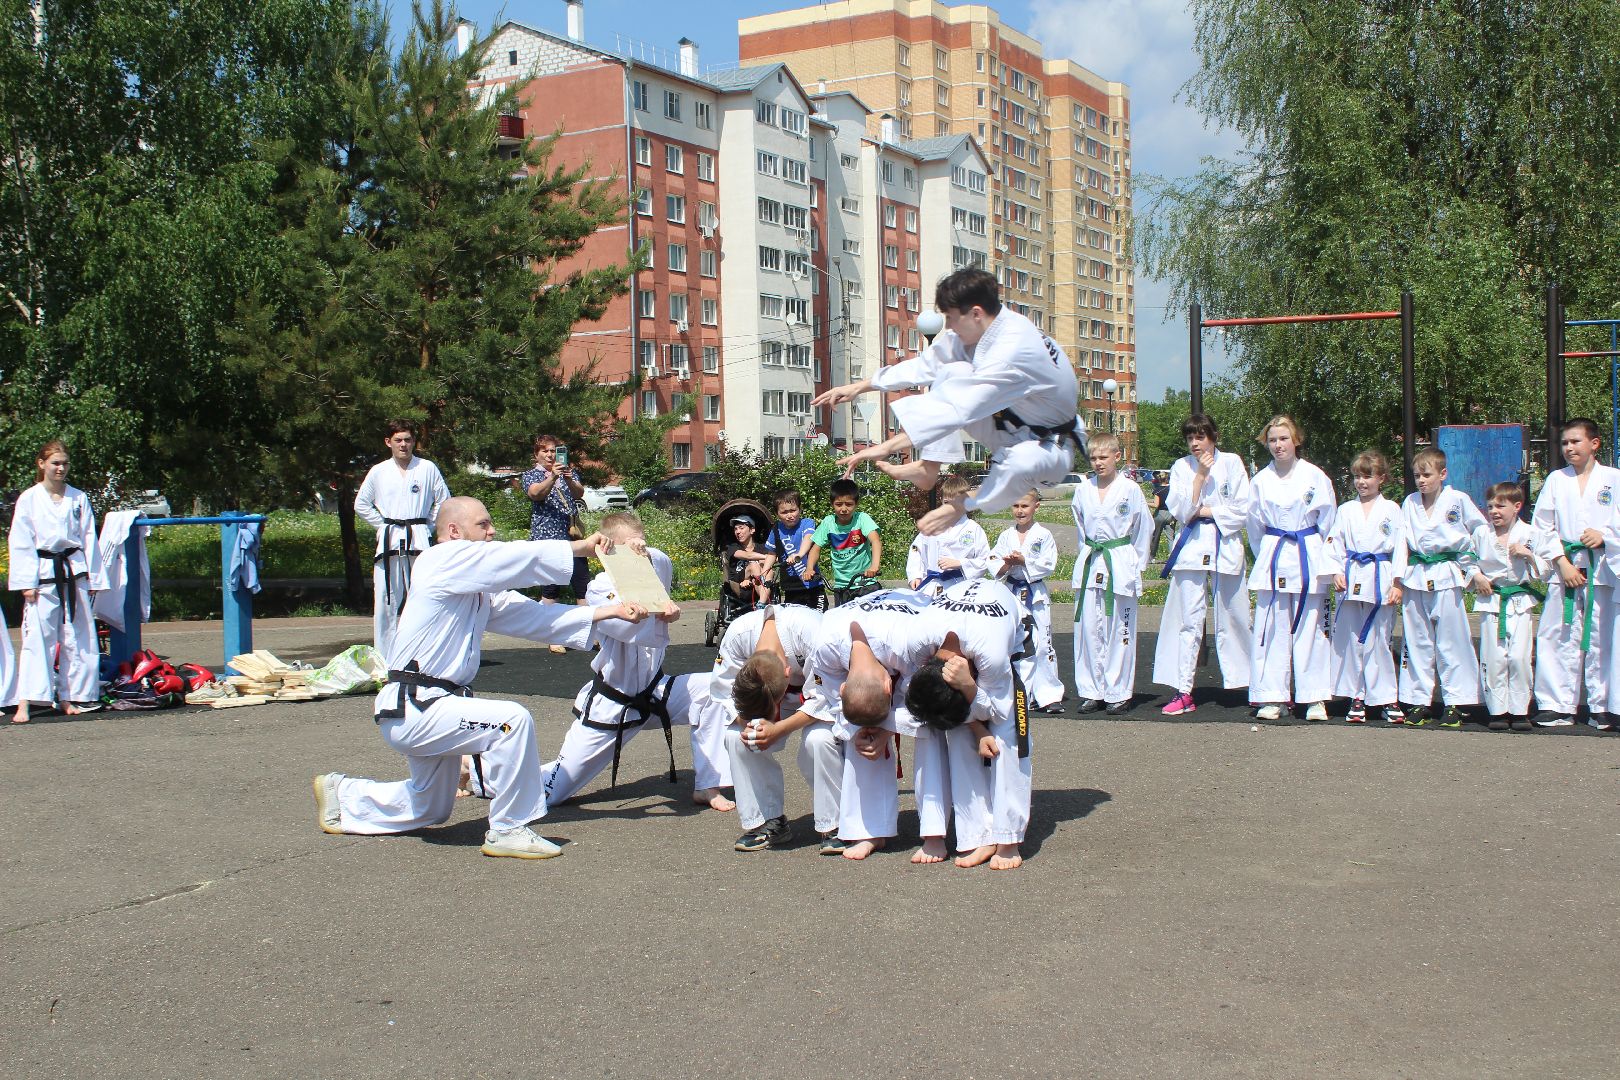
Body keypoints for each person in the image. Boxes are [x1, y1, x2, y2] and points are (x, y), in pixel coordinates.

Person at [311, 497, 646, 860]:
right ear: (454, 532)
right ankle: (508, 828)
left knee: (430, 808)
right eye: (483, 525)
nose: (492, 531)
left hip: (435, 709)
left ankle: (343, 797)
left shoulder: (476, 590)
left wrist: (609, 612)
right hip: (416, 708)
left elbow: (535, 617)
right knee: (510, 721)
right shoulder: (438, 560)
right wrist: (579, 548)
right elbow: (506, 559)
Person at [814, 268, 1083, 535]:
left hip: (1050, 451)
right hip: (1015, 428)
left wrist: (883, 448)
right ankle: (928, 467)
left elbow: (957, 410)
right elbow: (929, 363)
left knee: (1019, 460)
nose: (948, 326)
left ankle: (962, 502)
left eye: (951, 318)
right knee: (952, 370)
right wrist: (861, 386)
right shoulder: (987, 328)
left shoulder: (1010, 353)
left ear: (976, 313)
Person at [539, 513, 735, 812]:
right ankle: (476, 774)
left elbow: (663, 561)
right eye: (628, 547)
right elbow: (627, 630)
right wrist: (658, 615)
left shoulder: (652, 568)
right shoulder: (598, 589)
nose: (637, 551)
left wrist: (646, 555)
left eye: (641, 544)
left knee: (713, 690)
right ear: (607, 550)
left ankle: (708, 785)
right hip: (613, 704)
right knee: (551, 791)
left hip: (655, 692)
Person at [796, 587, 936, 860]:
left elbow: (921, 702)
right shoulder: (824, 647)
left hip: (916, 618)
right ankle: (869, 830)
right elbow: (832, 699)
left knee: (930, 732)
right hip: (868, 626)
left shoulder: (911, 645)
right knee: (861, 735)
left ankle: (934, 830)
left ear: (888, 686)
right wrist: (859, 730)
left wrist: (888, 726)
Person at [899, 578, 1027, 870]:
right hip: (962, 623)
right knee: (946, 727)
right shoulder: (918, 642)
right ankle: (977, 836)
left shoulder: (992, 655)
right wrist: (974, 726)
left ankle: (1008, 839)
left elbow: (997, 710)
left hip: (1012, 640)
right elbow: (926, 696)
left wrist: (970, 687)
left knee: (1009, 739)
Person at [1151, 413, 1253, 715]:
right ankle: (1184, 690)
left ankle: (1249, 682)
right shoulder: (1182, 467)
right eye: (1190, 438)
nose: (1195, 443)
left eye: (1201, 437)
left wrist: (1206, 510)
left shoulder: (1232, 463)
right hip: (1191, 550)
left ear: (1213, 437)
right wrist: (1198, 479)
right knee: (1188, 622)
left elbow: (1241, 510)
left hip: (1224, 547)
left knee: (1234, 617)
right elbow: (1181, 511)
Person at [716, 605, 840, 853]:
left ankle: (835, 824)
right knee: (737, 737)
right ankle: (768, 821)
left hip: (818, 693)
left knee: (818, 740)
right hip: (765, 696)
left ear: (787, 672)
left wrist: (779, 728)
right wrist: (749, 723)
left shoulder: (812, 631)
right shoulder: (738, 635)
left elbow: (826, 697)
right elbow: (723, 690)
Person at [8, 440, 106, 723]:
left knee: (78, 638)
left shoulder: (78, 498)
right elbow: (21, 541)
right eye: (55, 463)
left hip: (73, 573)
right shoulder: (29, 498)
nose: (61, 468)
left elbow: (89, 537)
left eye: (64, 463)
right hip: (42, 574)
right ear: (42, 465)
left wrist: (95, 577)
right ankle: (25, 702)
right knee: (37, 638)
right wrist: (27, 582)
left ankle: (69, 696)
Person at [1246, 416, 1336, 721]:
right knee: (1272, 628)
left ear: (1295, 440)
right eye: (1272, 440)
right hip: (1274, 553)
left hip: (1307, 553)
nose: (1278, 445)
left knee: (1311, 629)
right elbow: (1255, 528)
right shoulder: (1260, 480)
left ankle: (1314, 698)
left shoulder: (1315, 476)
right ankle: (1272, 696)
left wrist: (1324, 559)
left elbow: (1328, 522)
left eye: (1283, 439)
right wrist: (1268, 552)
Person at [1531, 419, 1620, 728]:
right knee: (1559, 634)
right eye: (1565, 443)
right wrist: (1562, 562)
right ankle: (1557, 704)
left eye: (1575, 442)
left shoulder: (1614, 479)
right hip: (1565, 568)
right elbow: (1542, 526)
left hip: (1603, 570)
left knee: (1602, 637)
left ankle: (1604, 705)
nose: (1568, 448)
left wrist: (1606, 536)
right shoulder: (1557, 480)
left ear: (1594, 444)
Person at [1397, 447, 1487, 727]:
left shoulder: (1458, 500)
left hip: (1447, 574)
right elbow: (1401, 542)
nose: (1421, 480)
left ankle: (1457, 701)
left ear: (1442, 474)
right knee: (1417, 640)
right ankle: (1418, 700)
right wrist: (1398, 579)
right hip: (1416, 575)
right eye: (1417, 476)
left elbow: (1480, 530)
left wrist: (1475, 568)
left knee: (1452, 639)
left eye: (1427, 475)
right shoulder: (1409, 502)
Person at [1070, 432, 1153, 715]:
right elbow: (1081, 529)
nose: (1097, 463)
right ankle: (1093, 691)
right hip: (1093, 561)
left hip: (1120, 561)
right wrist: (1086, 556)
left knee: (1119, 629)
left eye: (1103, 457)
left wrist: (1136, 565)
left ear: (1117, 456)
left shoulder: (1130, 489)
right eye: (1093, 458)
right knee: (1090, 630)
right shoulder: (1083, 490)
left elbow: (1144, 529)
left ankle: (1118, 692)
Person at [354, 419, 450, 656]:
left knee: (423, 595)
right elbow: (361, 504)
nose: (403, 444)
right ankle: (385, 657)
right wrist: (382, 526)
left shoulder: (427, 468)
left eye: (408, 439)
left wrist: (427, 525)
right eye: (398, 440)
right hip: (390, 539)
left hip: (418, 537)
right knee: (386, 599)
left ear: (414, 441)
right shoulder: (379, 471)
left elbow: (443, 500)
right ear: (388, 442)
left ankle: (423, 652)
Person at [1326, 451, 1407, 723]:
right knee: (1351, 639)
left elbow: (1401, 548)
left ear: (1381, 479)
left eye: (1367, 476)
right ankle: (1355, 695)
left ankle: (1386, 698)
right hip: (1352, 576)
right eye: (1357, 476)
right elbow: (1334, 542)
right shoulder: (1345, 510)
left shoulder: (1392, 509)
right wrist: (1336, 570)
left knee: (1380, 640)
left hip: (1380, 576)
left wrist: (1398, 583)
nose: (1361, 482)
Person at [1469, 481, 1544, 730]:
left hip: (1519, 602)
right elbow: (1467, 560)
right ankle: (1498, 711)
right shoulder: (1481, 534)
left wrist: (1528, 555)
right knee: (1494, 657)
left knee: (1519, 657)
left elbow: (1543, 571)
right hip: (1492, 601)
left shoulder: (1529, 534)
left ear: (1517, 507)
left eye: (1501, 506)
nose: (1494, 511)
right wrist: (1476, 576)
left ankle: (1520, 710)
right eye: (1490, 506)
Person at [989, 490, 1064, 712]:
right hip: (1012, 592)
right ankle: (1021, 693)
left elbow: (1048, 564)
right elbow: (993, 562)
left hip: (1035, 593)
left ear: (1036, 507)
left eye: (1024, 506)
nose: (1020, 511)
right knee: (1014, 644)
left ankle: (1049, 695)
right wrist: (1007, 564)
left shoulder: (1043, 535)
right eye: (1015, 506)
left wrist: (1024, 561)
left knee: (1042, 645)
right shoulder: (1006, 535)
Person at [522, 434, 590, 651]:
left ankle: (587, 633)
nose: (550, 455)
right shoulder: (531, 475)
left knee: (582, 584)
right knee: (551, 587)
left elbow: (579, 493)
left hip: (571, 535)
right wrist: (552, 477)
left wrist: (568, 478)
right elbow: (536, 494)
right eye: (545, 451)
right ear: (537, 454)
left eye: (554, 451)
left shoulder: (567, 471)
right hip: (548, 536)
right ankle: (553, 636)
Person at [904, 474, 989, 597]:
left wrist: (960, 563)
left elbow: (985, 559)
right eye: (946, 503)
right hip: (932, 585)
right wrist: (915, 576)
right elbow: (916, 551)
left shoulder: (973, 529)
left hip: (961, 586)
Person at [803, 478, 883, 607]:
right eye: (839, 504)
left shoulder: (862, 519)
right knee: (842, 624)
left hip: (865, 583)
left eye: (849, 504)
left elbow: (875, 541)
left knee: (869, 622)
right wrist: (809, 568)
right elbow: (815, 548)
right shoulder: (828, 523)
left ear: (856, 504)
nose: (844, 509)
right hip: (841, 586)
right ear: (832, 504)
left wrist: (874, 566)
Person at [766, 489, 825, 609]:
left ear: (800, 509)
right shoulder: (775, 530)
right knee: (793, 622)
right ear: (777, 514)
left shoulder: (807, 523)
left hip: (813, 584)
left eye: (793, 510)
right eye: (784, 512)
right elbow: (771, 554)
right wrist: (765, 572)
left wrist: (799, 554)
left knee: (819, 619)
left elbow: (808, 538)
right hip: (791, 587)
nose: (789, 515)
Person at [724, 515, 774, 607]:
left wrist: (768, 559)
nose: (738, 532)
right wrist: (768, 557)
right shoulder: (732, 547)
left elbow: (775, 557)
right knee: (754, 564)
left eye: (741, 528)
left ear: (752, 530)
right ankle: (764, 603)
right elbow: (748, 555)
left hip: (759, 583)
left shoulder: (762, 547)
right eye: (735, 529)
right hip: (740, 587)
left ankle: (762, 603)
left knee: (768, 569)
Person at [1148, 471, 1175, 559]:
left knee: (1155, 536)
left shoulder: (1158, 490)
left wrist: (1145, 503)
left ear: (1159, 479)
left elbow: (1156, 504)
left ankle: (1152, 557)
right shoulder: (1173, 489)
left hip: (1160, 514)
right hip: (1171, 514)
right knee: (1171, 537)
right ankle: (1172, 556)